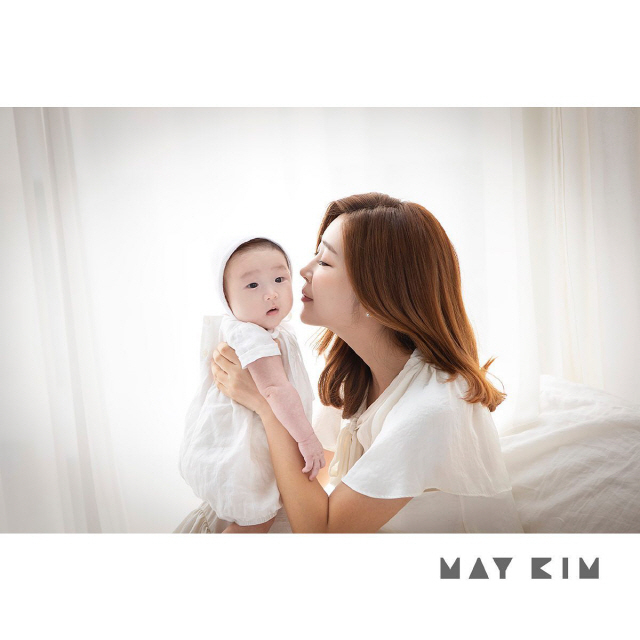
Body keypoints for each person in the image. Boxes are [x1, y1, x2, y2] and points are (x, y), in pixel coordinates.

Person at [211, 193, 525, 533]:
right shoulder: (357, 379)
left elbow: (322, 533)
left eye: (324, 262)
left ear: (377, 291)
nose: (301, 271)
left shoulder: (432, 410)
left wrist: (265, 402)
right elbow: (310, 475)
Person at [175, 236, 324, 534]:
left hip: (248, 445)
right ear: (226, 298)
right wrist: (307, 439)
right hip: (244, 453)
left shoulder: (268, 330)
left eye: (279, 279)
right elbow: (275, 390)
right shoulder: (250, 335)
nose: (271, 294)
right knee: (257, 519)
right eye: (252, 285)